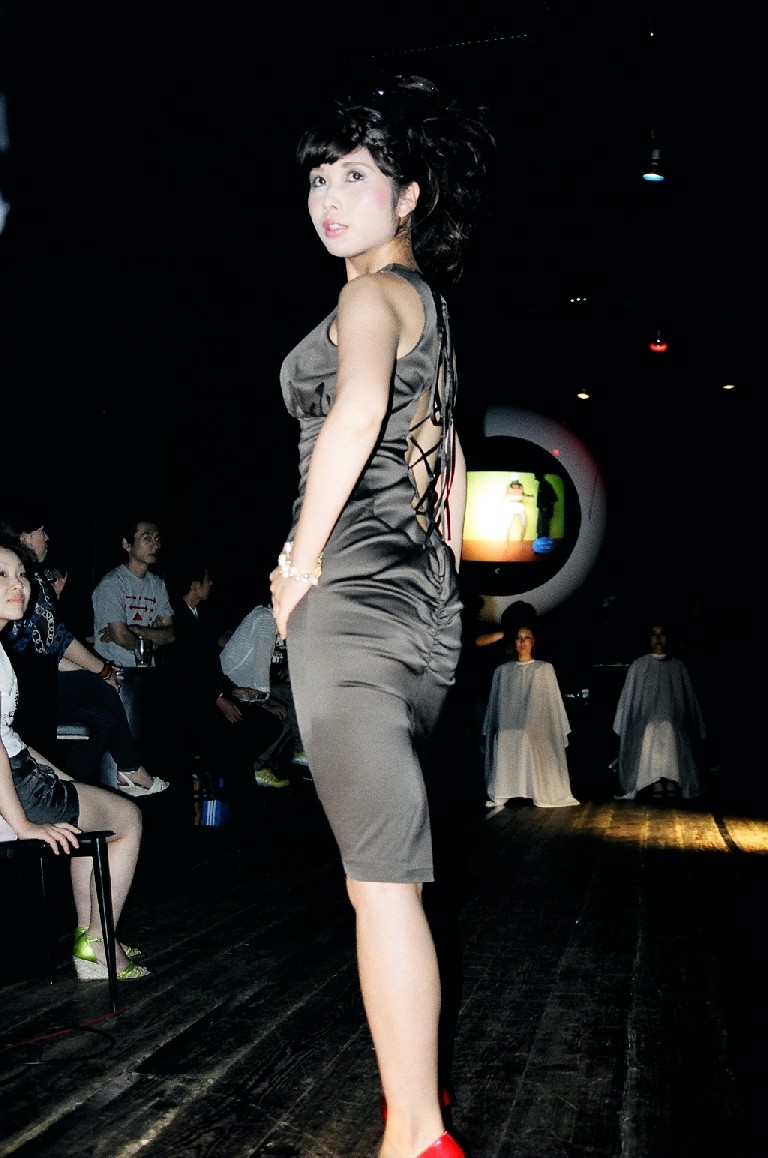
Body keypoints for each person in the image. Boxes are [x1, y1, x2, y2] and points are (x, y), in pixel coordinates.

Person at [268, 74, 494, 1158]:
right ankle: (417, 1114)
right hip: (418, 613)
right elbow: (451, 471)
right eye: (318, 179)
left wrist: (299, 563)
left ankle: (415, 1135)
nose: (328, 199)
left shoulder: (369, 297)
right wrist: (440, 595)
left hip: (352, 599)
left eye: (354, 176)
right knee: (387, 874)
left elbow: (357, 408)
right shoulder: (430, 310)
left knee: (380, 883)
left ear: (408, 195)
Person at [0, 533, 149, 980]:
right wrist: (25, 826)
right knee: (127, 819)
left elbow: (7, 737)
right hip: (15, 786)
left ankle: (92, 938)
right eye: (2, 575)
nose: (18, 584)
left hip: (20, 773)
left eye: (21, 574)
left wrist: (59, 774)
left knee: (94, 810)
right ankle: (99, 943)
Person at [0, 509, 168, 797]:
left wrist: (97, 671)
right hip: (23, 689)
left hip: (37, 681)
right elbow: (58, 641)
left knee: (101, 716)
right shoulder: (29, 582)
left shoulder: (35, 580)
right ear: (25, 536)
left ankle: (70, 789)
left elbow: (48, 649)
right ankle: (130, 768)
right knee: (100, 689)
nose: (47, 538)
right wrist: (102, 670)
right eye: (42, 531)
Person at [166, 558, 288, 799]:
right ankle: (237, 794)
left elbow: (211, 668)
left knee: (267, 724)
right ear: (194, 585)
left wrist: (232, 691)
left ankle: (229, 779)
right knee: (236, 739)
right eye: (207, 580)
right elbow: (186, 671)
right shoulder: (177, 619)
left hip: (211, 696)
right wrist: (219, 698)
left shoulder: (201, 617)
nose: (211, 583)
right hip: (189, 706)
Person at [91, 517, 176, 784]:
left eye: (157, 538)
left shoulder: (157, 585)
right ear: (127, 544)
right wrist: (147, 636)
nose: (155, 544)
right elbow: (119, 637)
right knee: (119, 745)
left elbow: (170, 635)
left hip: (147, 674)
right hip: (115, 672)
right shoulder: (112, 584)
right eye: (146, 537)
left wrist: (136, 630)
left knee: (147, 744)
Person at [482, 622, 580, 808]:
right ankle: (505, 790)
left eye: (526, 638)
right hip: (509, 725)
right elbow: (498, 704)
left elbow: (550, 704)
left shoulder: (543, 668)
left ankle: (536, 789)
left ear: (533, 642)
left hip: (536, 726)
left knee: (528, 735)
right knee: (504, 736)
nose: (522, 642)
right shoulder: (502, 671)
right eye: (518, 638)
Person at [613, 621, 706, 801]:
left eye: (661, 634)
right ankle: (654, 779)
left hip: (673, 719)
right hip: (645, 720)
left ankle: (672, 779)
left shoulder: (678, 666)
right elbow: (630, 698)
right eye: (654, 634)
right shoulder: (639, 665)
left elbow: (686, 700)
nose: (658, 638)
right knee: (651, 730)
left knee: (670, 728)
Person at [219, 595, 306, 778]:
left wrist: (291, 664)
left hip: (259, 684)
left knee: (293, 702)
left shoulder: (284, 623)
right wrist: (264, 702)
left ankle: (263, 765)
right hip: (235, 685)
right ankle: (295, 753)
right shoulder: (265, 620)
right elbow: (260, 669)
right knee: (289, 703)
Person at [533, 472, 558, 540]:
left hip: (545, 509)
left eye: (536, 477)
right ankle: (540, 540)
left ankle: (544, 541)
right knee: (540, 526)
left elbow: (554, 498)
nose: (536, 479)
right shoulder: (541, 484)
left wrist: (547, 507)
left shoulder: (546, 484)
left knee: (544, 526)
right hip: (541, 508)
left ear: (540, 476)